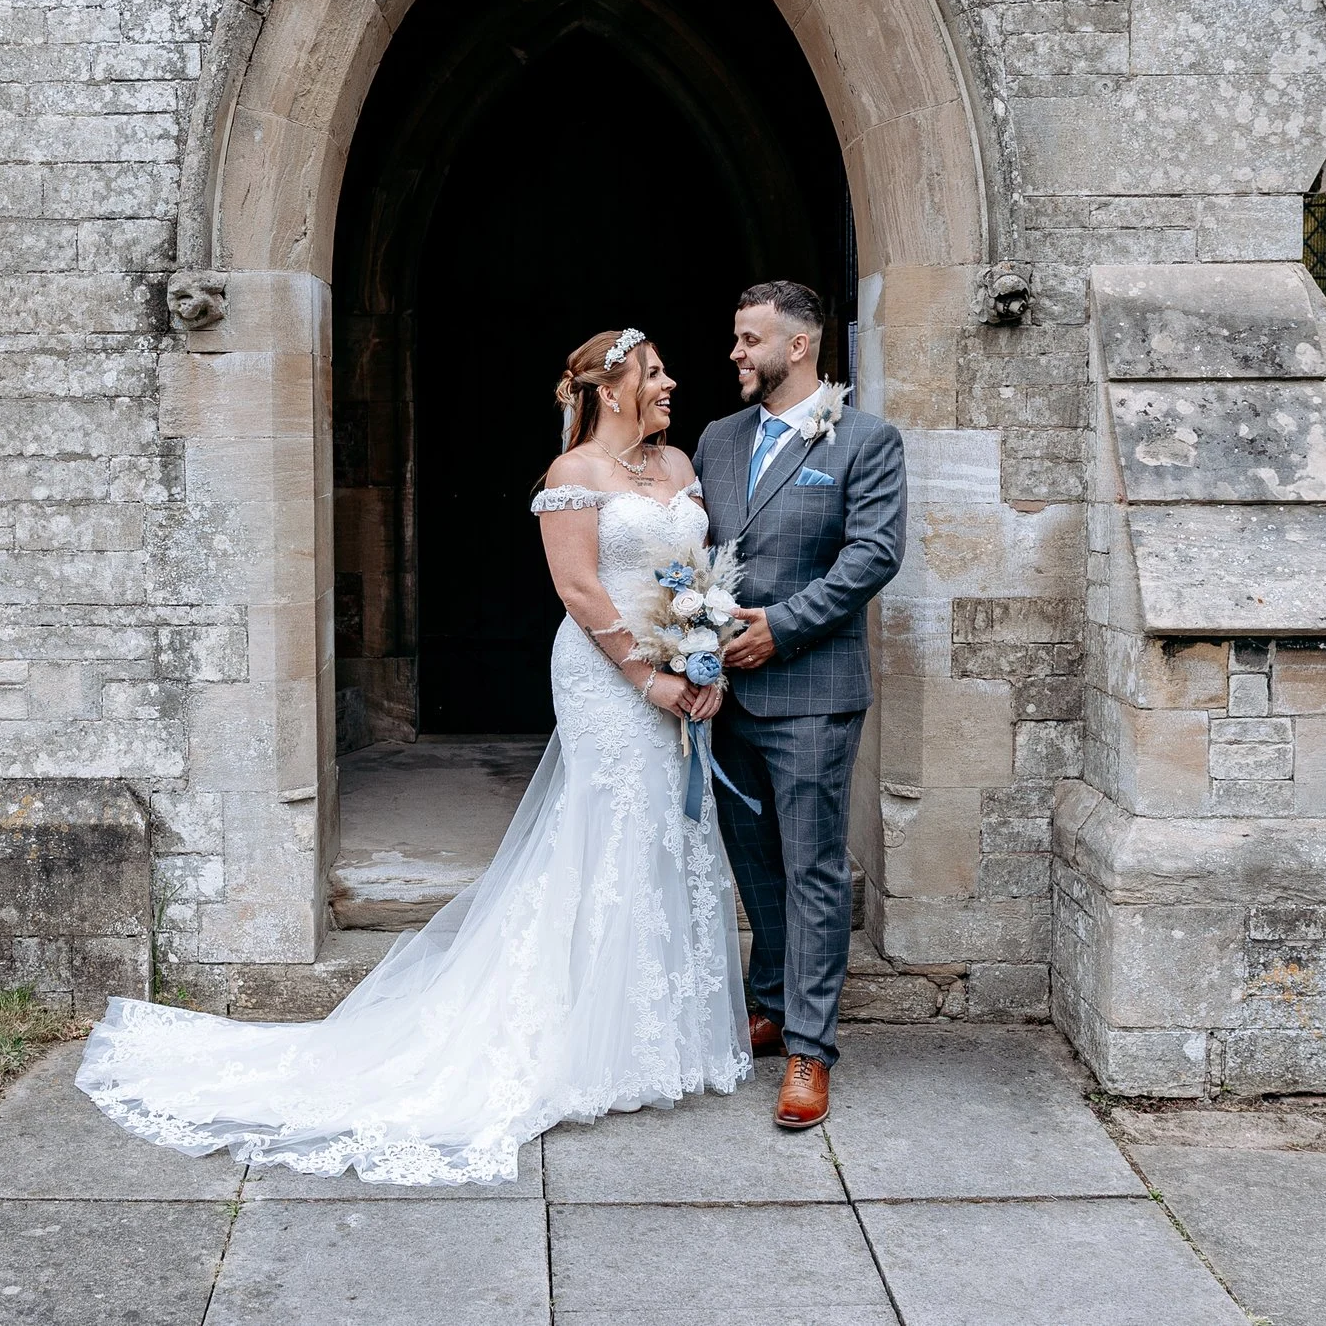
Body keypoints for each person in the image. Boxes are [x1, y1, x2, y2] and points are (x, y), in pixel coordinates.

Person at [75, 328, 748, 1184]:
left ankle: (664, 1039)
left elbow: (697, 574)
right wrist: (647, 678)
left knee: (671, 829)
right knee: (609, 831)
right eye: (655, 373)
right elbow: (580, 591)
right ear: (612, 389)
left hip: (678, 670)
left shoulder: (681, 464)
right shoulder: (572, 477)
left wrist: (705, 657)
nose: (671, 382)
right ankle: (589, 1036)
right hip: (608, 676)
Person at [693, 280, 907, 1130]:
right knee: (755, 865)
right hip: (723, 695)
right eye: (737, 339)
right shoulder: (715, 438)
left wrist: (780, 628)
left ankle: (811, 1048)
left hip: (811, 691)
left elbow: (873, 556)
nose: (737, 354)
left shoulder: (865, 440)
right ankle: (772, 1001)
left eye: (750, 340)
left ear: (800, 346)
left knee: (814, 868)